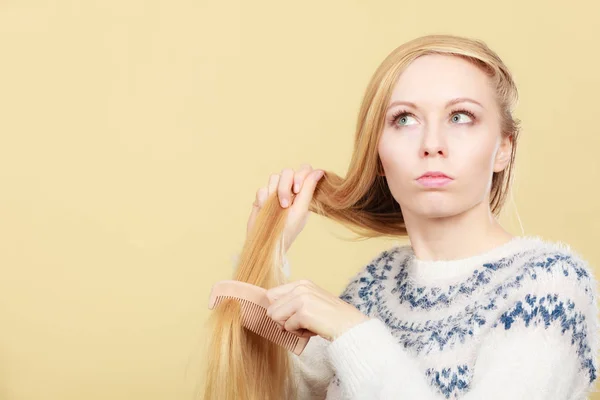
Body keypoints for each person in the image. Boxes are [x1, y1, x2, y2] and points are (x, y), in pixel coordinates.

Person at [246, 34, 599, 399]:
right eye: (405, 119)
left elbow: (357, 344)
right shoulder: (375, 286)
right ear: (378, 155)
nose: (432, 144)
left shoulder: (550, 286)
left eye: (460, 117)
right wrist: (265, 254)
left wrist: (354, 332)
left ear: (503, 149)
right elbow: (280, 388)